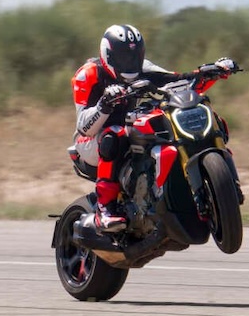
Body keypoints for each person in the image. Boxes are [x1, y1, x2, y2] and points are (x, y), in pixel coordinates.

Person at [72, 23, 235, 232]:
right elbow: (84, 127)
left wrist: (211, 72)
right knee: (114, 135)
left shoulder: (144, 68)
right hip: (90, 139)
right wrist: (104, 104)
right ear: (108, 56)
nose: (130, 62)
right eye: (123, 57)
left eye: (134, 56)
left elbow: (178, 81)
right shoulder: (88, 75)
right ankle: (105, 210)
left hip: (129, 124)